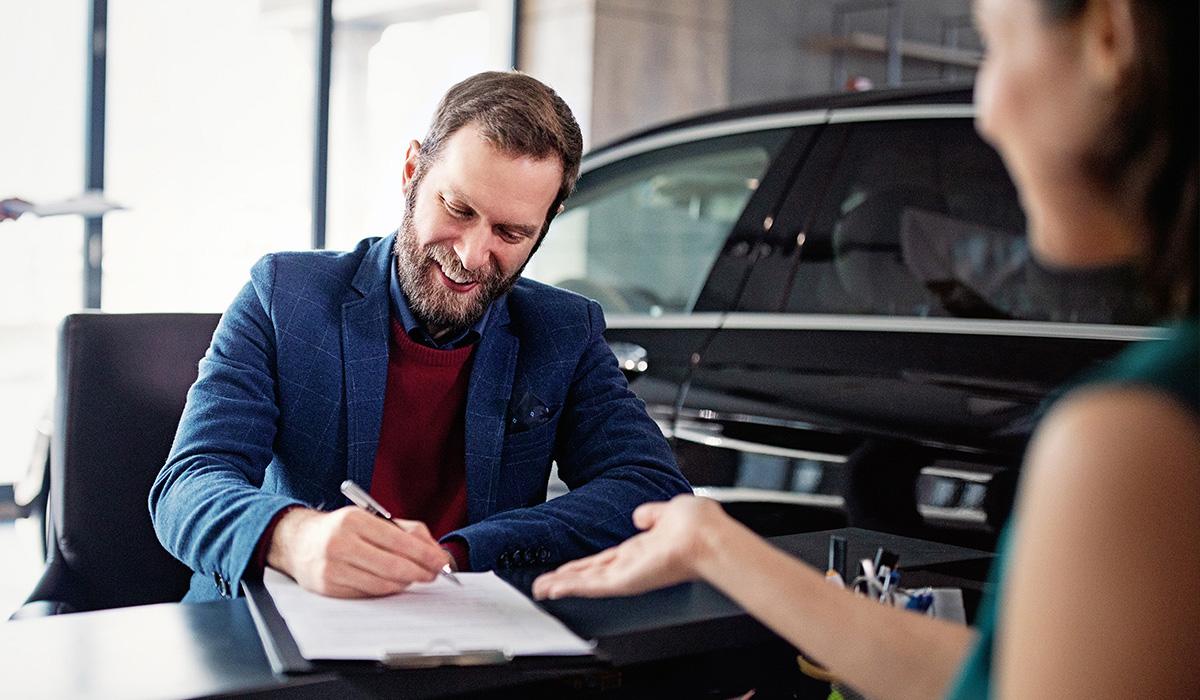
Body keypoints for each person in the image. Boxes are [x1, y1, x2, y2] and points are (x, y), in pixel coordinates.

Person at [534, 0, 1199, 697]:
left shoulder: (1139, 435)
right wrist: (715, 545)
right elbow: (1014, 677)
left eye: (996, 47)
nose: (987, 112)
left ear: (1108, 35)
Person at [150, 71, 691, 603]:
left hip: (469, 634)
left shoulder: (564, 330)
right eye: (458, 209)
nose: (471, 256)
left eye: (511, 233)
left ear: (545, 226)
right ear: (412, 171)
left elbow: (652, 492)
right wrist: (292, 537)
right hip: (275, 628)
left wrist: (463, 552)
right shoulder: (284, 295)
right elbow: (187, 486)